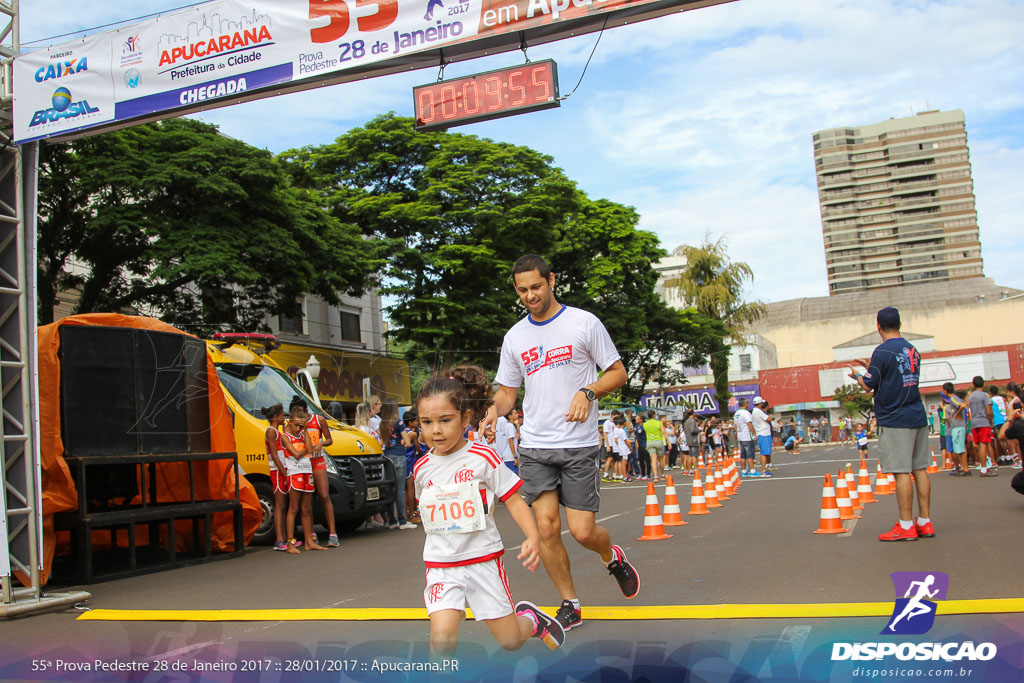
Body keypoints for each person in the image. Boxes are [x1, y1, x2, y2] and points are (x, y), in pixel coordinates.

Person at [483, 254, 639, 635]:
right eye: (522, 290)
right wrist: (491, 412)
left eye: (536, 287)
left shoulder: (583, 323)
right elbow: (507, 393)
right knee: (547, 527)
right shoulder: (515, 336)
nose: (530, 296)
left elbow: (618, 372)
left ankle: (611, 555)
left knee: (583, 531)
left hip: (579, 445)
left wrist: (588, 390)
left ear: (551, 280)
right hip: (536, 446)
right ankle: (571, 603)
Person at [413, 369, 565, 656]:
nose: (435, 430)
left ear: (465, 418)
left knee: (509, 641)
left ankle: (531, 622)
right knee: (441, 639)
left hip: (483, 561)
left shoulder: (483, 458)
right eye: (427, 422)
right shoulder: (421, 470)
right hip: (441, 566)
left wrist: (533, 537)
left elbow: (515, 500)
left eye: (445, 421)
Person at [847, 306, 932, 542]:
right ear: (899, 324)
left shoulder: (882, 351)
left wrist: (857, 375)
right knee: (920, 468)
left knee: (901, 471)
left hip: (895, 418)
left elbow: (869, 384)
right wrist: (870, 368)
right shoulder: (912, 350)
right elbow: (893, 375)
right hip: (917, 413)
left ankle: (906, 525)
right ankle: (924, 522)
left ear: (878, 326)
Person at [291, 397, 339, 547]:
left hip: (318, 461)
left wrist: (321, 443)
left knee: (324, 495)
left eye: (301, 413)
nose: (299, 417)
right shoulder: (294, 423)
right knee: (307, 501)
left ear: (306, 411)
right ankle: (311, 534)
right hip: (303, 464)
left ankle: (333, 534)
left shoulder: (318, 420)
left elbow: (329, 440)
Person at [281, 405, 326, 552]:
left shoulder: (302, 434)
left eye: (300, 425)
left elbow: (311, 450)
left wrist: (305, 430)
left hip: (307, 471)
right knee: (293, 507)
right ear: (289, 422)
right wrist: (305, 450)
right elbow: (295, 453)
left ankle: (309, 541)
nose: (297, 428)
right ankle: (290, 543)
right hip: (295, 473)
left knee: (306, 508)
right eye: (295, 425)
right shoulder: (285, 436)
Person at [261, 403, 291, 551]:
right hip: (277, 471)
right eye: (281, 415)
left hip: (282, 469)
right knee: (280, 504)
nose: (283, 417)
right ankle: (279, 539)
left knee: (283, 504)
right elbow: (274, 454)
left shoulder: (277, 431)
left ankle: (283, 537)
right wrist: (284, 473)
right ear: (275, 417)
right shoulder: (271, 431)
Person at [382, 405, 417, 530]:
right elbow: (407, 442)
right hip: (399, 456)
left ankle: (392, 520)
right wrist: (403, 442)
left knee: (390, 489)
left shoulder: (382, 423)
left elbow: (381, 442)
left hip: (387, 457)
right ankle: (403, 520)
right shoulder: (399, 422)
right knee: (400, 489)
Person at [967, 376, 998, 476]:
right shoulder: (984, 395)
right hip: (983, 421)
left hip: (974, 421)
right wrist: (990, 421)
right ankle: (984, 469)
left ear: (973, 384)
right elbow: (989, 411)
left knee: (979, 444)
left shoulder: (971, 396)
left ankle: (983, 466)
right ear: (983, 384)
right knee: (984, 444)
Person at [733, 399, 755, 476]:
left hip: (740, 435)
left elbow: (735, 425)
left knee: (743, 455)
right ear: (745, 403)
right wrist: (754, 433)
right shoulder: (746, 413)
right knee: (750, 454)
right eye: (748, 403)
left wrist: (737, 433)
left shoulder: (736, 413)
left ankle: (744, 471)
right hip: (747, 435)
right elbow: (749, 424)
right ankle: (752, 471)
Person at [751, 396, 773, 477]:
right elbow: (769, 419)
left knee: (765, 452)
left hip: (762, 433)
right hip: (764, 433)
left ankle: (765, 469)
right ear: (760, 403)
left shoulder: (754, 411)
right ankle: (764, 470)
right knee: (764, 452)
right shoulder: (758, 411)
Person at [495, 408, 520, 474]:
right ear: (510, 416)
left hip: (507, 456)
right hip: (510, 457)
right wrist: (515, 456)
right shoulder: (510, 426)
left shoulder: (509, 426)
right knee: (514, 479)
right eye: (515, 413)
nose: (517, 415)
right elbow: (510, 442)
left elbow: (519, 437)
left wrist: (517, 425)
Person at [644, 411, 666, 478]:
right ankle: (662, 474)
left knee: (653, 460)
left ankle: (655, 475)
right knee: (661, 459)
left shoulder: (645, 424)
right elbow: (664, 432)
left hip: (650, 441)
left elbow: (646, 434)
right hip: (658, 441)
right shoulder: (659, 423)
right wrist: (668, 441)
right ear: (654, 415)